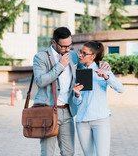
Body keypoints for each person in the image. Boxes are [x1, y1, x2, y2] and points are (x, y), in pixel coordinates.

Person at [33, 27, 111, 156]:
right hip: (48, 111)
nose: (68, 49)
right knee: (47, 152)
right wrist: (60, 66)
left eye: (70, 45)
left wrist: (101, 63)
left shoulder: (73, 55)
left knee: (69, 152)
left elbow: (87, 67)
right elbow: (40, 81)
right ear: (54, 43)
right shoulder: (41, 57)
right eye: (64, 46)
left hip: (67, 111)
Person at [73, 41, 124, 156]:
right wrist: (76, 94)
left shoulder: (103, 69)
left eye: (84, 53)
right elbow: (76, 102)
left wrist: (106, 77)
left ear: (93, 56)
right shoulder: (77, 71)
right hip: (82, 120)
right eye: (80, 52)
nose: (80, 55)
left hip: (100, 119)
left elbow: (121, 89)